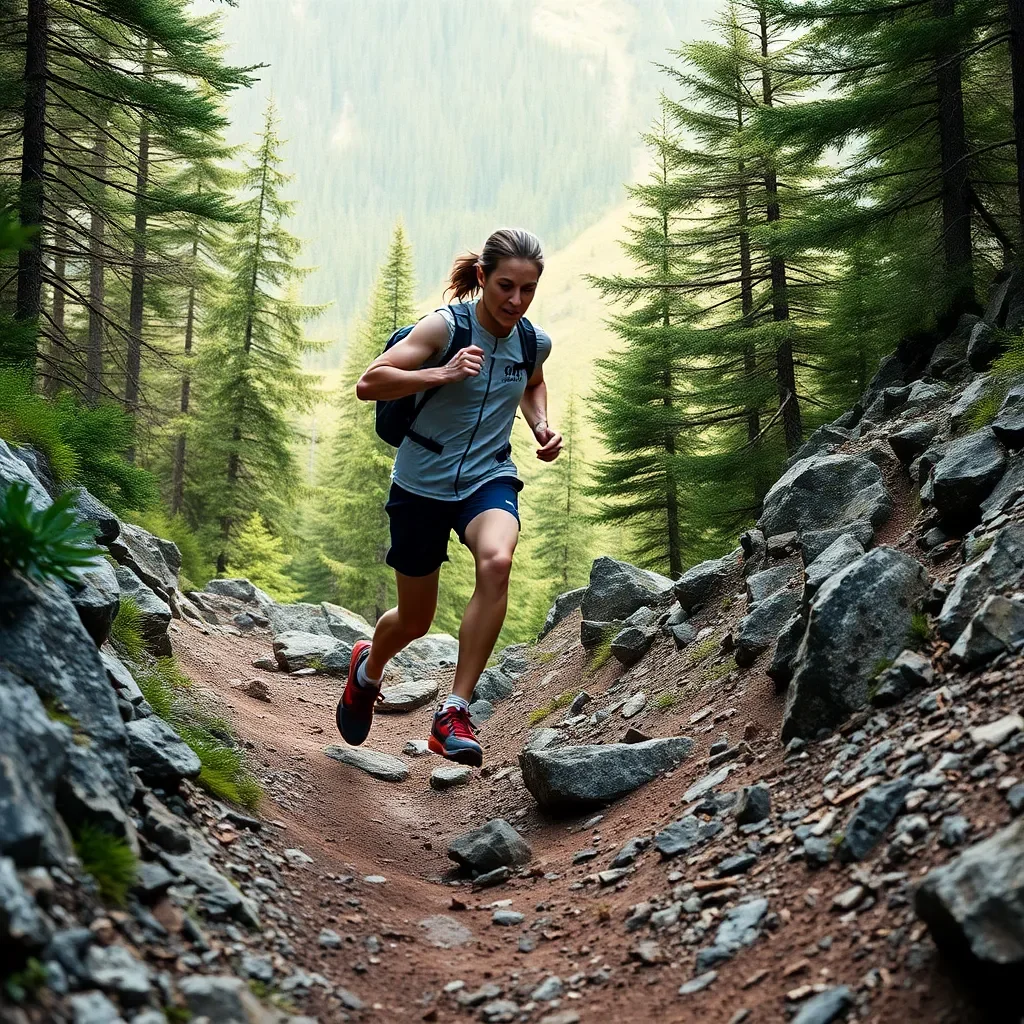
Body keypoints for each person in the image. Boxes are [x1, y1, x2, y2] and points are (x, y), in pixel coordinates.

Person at [336, 228, 560, 767]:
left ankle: (453, 711)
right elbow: (371, 382)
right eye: (506, 286)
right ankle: (367, 670)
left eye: (527, 290)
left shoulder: (532, 340)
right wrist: (443, 371)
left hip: (488, 477)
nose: (516, 301)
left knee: (497, 560)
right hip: (420, 486)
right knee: (414, 620)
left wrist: (541, 424)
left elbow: (532, 382)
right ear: (481, 277)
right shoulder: (444, 327)